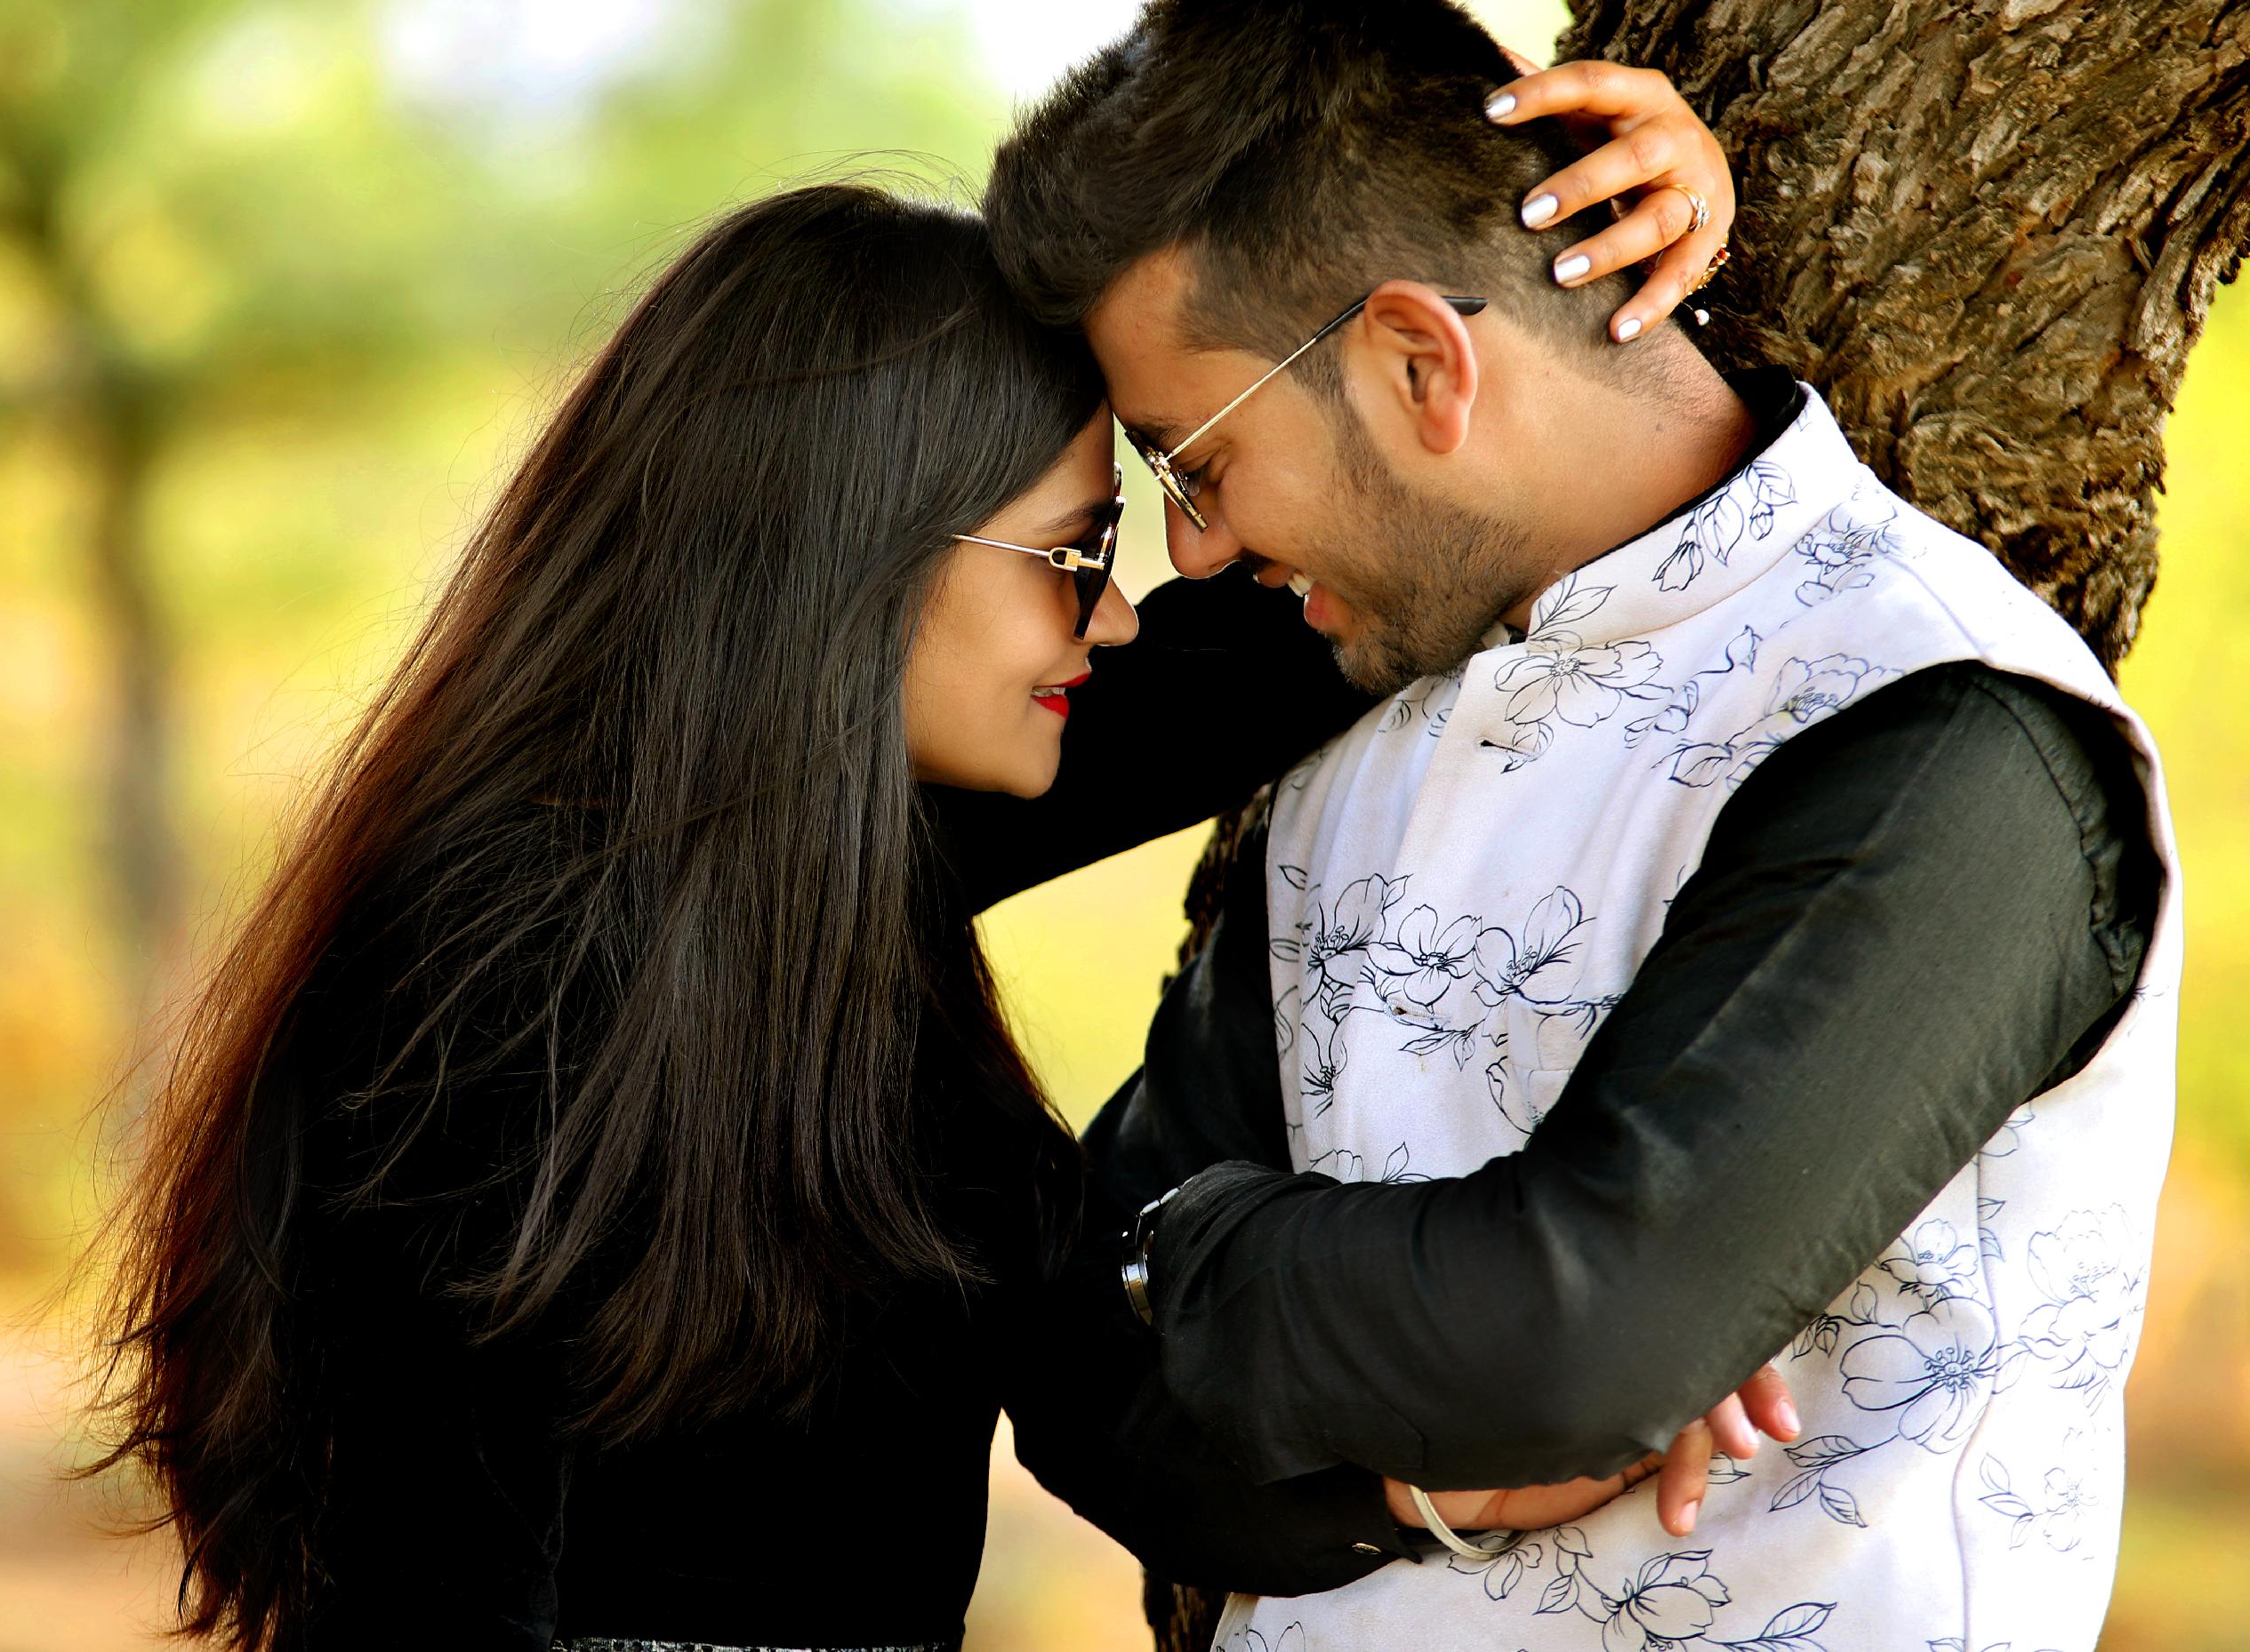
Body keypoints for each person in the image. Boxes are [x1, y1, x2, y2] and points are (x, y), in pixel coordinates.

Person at [91, 82, 1753, 1652]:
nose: (1120, 614)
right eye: (1073, 550)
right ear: (858, 557)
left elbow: (1375, 556)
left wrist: (1588, 245)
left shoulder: (836, 870)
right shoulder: (483, 969)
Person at [980, 0, 2179, 1652]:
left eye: (1199, 460)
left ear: (1422, 362)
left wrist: (1184, 1256)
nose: (1198, 546)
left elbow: (1568, 1338)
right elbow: (1086, 1399)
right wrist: (1418, 1468)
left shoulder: (1942, 727)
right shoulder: (1351, 719)